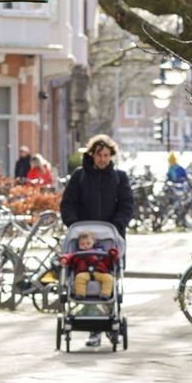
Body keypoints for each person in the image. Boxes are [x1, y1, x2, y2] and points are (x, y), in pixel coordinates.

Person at [61, 134, 135, 345]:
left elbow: (127, 204)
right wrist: (74, 224)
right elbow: (68, 202)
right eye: (99, 155)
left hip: (110, 238)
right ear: (92, 155)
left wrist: (118, 226)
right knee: (84, 279)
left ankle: (109, 319)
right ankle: (93, 327)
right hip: (84, 238)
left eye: (106, 155)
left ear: (111, 156)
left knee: (109, 278)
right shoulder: (79, 177)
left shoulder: (119, 177)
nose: (103, 159)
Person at [66, 230, 118, 298]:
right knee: (79, 277)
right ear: (78, 245)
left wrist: (112, 254)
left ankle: (105, 294)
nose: (85, 246)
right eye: (82, 244)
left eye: (88, 243)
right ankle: (80, 294)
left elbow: (108, 262)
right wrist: (65, 259)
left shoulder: (100, 252)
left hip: (100, 272)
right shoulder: (77, 253)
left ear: (93, 243)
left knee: (109, 278)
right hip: (84, 273)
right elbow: (69, 256)